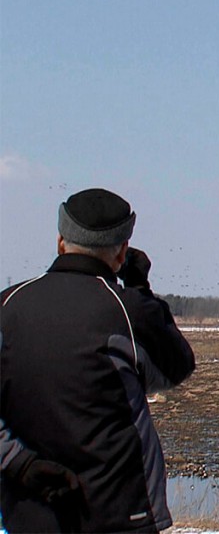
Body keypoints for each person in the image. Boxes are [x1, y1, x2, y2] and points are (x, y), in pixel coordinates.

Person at [1, 188, 195, 533]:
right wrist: (139, 289)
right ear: (122, 252)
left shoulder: (7, 305)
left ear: (61, 242)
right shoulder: (126, 309)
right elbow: (175, 368)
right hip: (116, 510)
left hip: (29, 509)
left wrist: (20, 464)